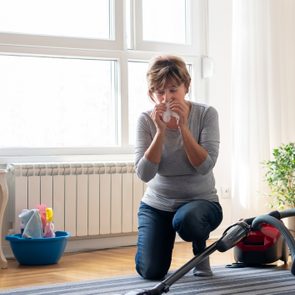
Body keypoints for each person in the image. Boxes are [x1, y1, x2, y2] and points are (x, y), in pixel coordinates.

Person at [134, 55, 223, 280]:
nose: (166, 97)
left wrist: (183, 127)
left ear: (186, 87)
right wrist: (161, 132)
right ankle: (161, 240)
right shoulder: (145, 120)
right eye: (160, 92)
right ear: (151, 94)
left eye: (173, 90)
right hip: (157, 204)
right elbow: (144, 174)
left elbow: (204, 166)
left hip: (200, 203)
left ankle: (200, 252)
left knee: (187, 220)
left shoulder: (206, 114)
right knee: (151, 272)